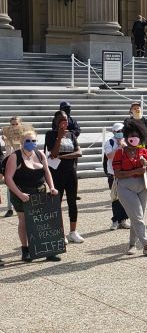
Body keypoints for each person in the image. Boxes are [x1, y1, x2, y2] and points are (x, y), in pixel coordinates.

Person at [6, 130, 60, 262]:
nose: (31, 143)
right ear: (22, 142)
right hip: (22, 193)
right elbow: (8, 178)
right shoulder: (15, 156)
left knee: (43, 221)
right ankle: (25, 250)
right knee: (24, 221)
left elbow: (47, 172)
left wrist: (52, 187)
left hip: (40, 192)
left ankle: (47, 250)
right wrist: (19, 194)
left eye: (33, 141)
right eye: (28, 141)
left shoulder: (40, 154)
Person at [112, 121, 147, 257]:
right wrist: (136, 170)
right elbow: (117, 173)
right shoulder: (120, 152)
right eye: (131, 136)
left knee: (137, 217)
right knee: (137, 217)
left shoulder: (144, 151)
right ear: (126, 137)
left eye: (136, 136)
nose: (134, 139)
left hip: (143, 186)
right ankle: (146, 246)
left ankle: (132, 244)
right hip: (126, 187)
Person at [45, 111, 84, 244]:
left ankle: (73, 232)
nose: (64, 122)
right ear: (56, 121)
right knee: (57, 203)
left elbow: (79, 152)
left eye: (66, 120)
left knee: (72, 202)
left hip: (71, 172)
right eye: (61, 120)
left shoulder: (71, 134)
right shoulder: (50, 135)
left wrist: (64, 156)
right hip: (57, 174)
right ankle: (59, 232)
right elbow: (53, 153)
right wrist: (59, 138)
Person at [104, 123, 131, 230]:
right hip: (113, 173)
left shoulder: (128, 140)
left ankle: (123, 220)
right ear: (114, 132)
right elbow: (110, 156)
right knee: (115, 197)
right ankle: (115, 220)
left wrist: (124, 145)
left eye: (122, 131)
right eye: (118, 131)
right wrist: (119, 146)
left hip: (124, 173)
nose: (120, 133)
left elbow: (130, 153)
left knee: (125, 197)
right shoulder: (109, 142)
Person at [2, 116, 25, 218]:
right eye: (13, 124)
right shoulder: (7, 135)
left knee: (25, 183)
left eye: (16, 124)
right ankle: (9, 208)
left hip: (23, 161)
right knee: (9, 185)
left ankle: (25, 204)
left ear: (20, 124)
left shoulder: (24, 135)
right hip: (11, 161)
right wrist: (7, 142)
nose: (15, 126)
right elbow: (7, 153)